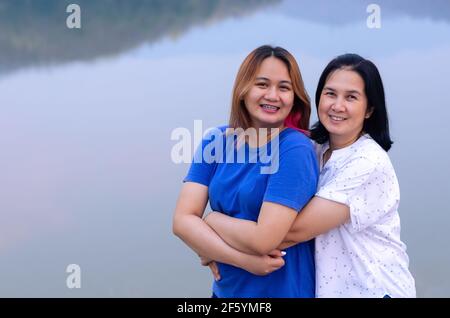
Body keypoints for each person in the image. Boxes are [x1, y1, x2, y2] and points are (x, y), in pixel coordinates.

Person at [205, 53, 416, 298]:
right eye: (330, 94)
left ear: (369, 109)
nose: (337, 105)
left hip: (373, 290)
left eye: (351, 97)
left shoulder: (368, 162)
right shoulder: (315, 149)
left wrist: (211, 226)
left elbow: (284, 233)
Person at [173, 45, 319, 298]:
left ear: (294, 97)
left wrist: (210, 221)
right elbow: (182, 221)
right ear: (243, 90)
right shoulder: (216, 140)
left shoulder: (294, 149)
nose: (273, 95)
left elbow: (265, 239)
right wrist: (244, 261)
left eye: (284, 87)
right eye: (262, 84)